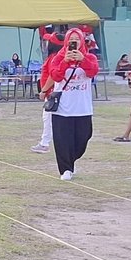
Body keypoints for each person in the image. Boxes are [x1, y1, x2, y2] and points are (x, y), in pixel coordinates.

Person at [42, 27, 99, 181]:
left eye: (77, 39)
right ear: (66, 42)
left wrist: (83, 59)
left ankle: (71, 160)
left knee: (83, 138)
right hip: (62, 108)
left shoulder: (90, 57)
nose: (74, 42)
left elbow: (93, 72)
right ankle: (65, 169)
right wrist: (65, 62)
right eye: (71, 40)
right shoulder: (58, 58)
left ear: (82, 41)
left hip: (82, 108)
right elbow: (55, 76)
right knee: (62, 140)